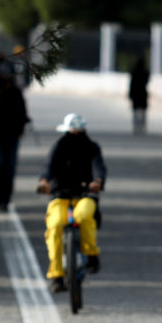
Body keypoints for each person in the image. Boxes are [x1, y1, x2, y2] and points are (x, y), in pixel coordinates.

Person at [36, 113, 107, 294]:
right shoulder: (59, 146)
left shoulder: (92, 147)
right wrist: (44, 181)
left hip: (85, 194)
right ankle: (56, 274)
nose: (75, 134)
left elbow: (99, 166)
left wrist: (97, 181)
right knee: (55, 225)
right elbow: (48, 166)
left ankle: (91, 254)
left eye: (78, 131)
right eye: (72, 131)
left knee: (84, 216)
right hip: (60, 194)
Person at [0, 56, 31, 210]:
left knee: (9, 169)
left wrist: (22, 124)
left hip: (12, 136)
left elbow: (22, 111)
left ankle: (6, 200)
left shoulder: (15, 91)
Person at [129, 57, 149, 135]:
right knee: (143, 110)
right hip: (142, 93)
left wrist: (130, 94)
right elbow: (147, 81)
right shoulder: (145, 72)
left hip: (136, 93)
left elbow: (131, 84)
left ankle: (136, 126)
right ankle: (142, 126)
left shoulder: (134, 72)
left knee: (135, 110)